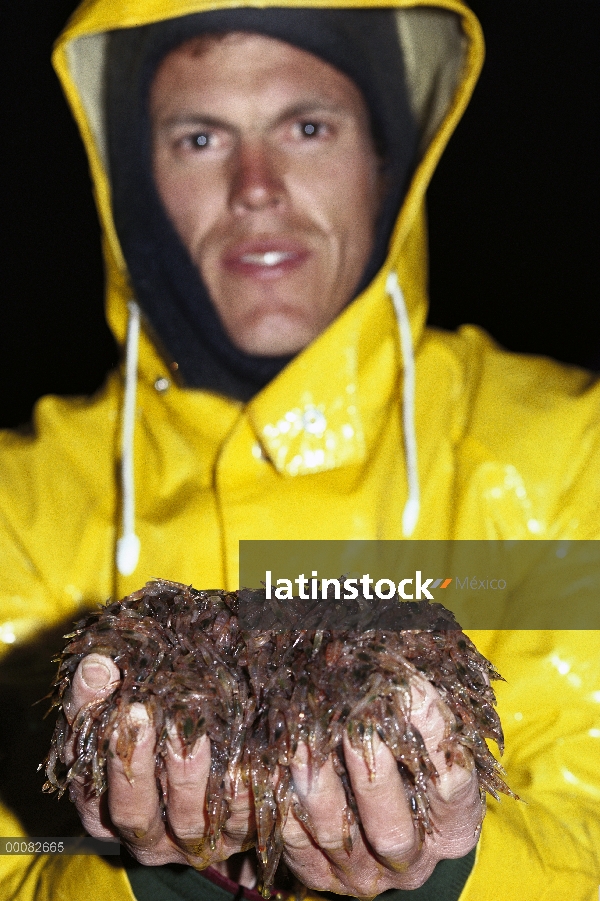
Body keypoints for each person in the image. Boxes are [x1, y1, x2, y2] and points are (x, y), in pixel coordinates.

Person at [0, 1, 599, 900]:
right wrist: (142, 877)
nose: (255, 185)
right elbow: (17, 857)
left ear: (386, 159)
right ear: (133, 179)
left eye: (307, 126)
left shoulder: (564, 455)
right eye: (200, 139)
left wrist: (454, 868)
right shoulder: (22, 499)